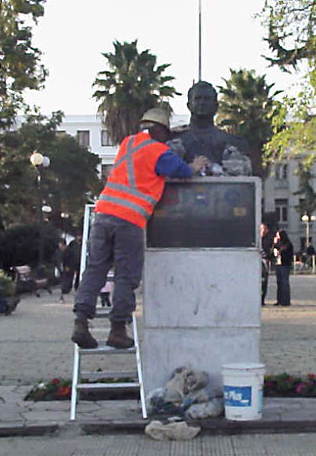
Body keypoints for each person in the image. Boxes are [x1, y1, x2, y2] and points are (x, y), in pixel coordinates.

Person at [71, 108, 209, 349]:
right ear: (160, 131)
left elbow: (149, 142)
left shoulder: (128, 143)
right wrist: (195, 165)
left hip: (103, 214)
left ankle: (81, 323)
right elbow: (183, 172)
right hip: (129, 220)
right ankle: (117, 330)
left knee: (95, 270)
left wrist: (169, 133)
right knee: (126, 276)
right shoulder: (160, 152)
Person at [173, 81, 251, 171]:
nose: (202, 103)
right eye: (197, 99)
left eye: (207, 99)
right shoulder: (174, 141)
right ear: (189, 105)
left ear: (216, 106)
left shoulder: (234, 142)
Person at [272, 229, 294, 306]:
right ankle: (279, 300)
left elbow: (283, 251)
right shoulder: (278, 244)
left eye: (278, 235)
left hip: (285, 264)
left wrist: (278, 246)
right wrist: (275, 244)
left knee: (284, 282)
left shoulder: (287, 244)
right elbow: (274, 252)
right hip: (278, 264)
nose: (277, 237)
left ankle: (285, 300)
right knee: (279, 282)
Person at [260, 223, 274, 306]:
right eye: (262, 229)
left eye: (264, 229)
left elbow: (269, 251)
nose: (263, 231)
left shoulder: (268, 240)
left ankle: (262, 299)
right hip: (257, 262)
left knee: (264, 281)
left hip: (265, 261)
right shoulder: (256, 239)